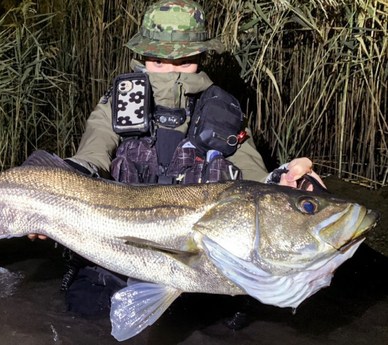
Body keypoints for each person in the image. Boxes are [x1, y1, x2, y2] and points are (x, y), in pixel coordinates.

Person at [29, 0, 326, 322]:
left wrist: (285, 183)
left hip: (199, 260)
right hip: (118, 246)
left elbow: (253, 177)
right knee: (86, 315)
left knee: (228, 322)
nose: (170, 70)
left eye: (183, 62)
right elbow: (92, 154)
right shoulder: (119, 102)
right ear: (141, 57)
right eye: (158, 60)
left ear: (200, 58)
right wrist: (55, 189)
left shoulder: (222, 110)